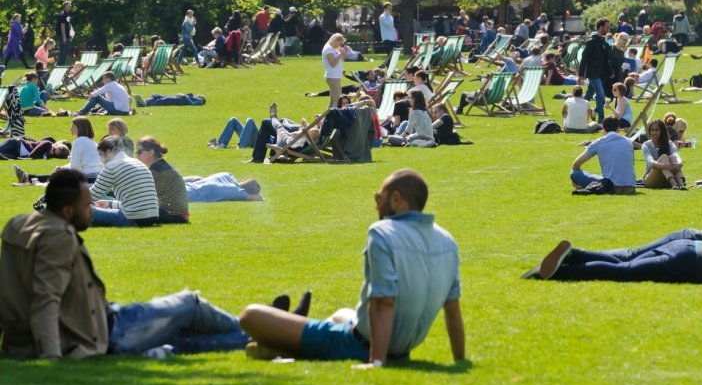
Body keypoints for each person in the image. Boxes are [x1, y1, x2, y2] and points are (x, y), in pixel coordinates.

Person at [0, 169, 255, 359]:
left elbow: (8, 291)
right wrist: (51, 357)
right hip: (104, 331)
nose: (91, 210)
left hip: (83, 327)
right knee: (191, 305)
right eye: (86, 206)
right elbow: (46, 298)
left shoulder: (18, 225)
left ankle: (275, 336)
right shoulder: (58, 237)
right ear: (67, 211)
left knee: (184, 340)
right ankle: (270, 327)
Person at [238, 169, 466, 366]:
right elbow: (453, 308)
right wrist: (460, 360)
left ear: (396, 199)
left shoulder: (382, 232)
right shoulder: (447, 240)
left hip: (360, 344)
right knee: (340, 314)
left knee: (251, 315)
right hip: (401, 349)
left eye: (379, 198)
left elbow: (383, 302)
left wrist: (376, 362)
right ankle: (287, 339)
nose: (377, 205)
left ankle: (281, 344)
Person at [523, 227, 702, 284]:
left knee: (626, 260)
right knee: (625, 271)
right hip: (690, 265)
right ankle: (561, 272)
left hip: (693, 247)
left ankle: (574, 253)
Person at [89, 136, 160, 227]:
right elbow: (134, 201)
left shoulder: (111, 166)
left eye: (100, 154)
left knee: (82, 210)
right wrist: (109, 203)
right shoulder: (137, 162)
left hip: (131, 218)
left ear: (108, 152)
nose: (100, 159)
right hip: (151, 217)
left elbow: (91, 196)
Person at [14, 116, 102, 184]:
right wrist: (63, 168)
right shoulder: (93, 142)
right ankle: (29, 178)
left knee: (60, 177)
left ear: (79, 128)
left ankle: (29, 178)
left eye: (73, 126)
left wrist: (62, 170)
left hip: (87, 178)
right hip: (95, 177)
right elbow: (77, 163)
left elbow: (74, 167)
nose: (70, 128)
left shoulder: (79, 142)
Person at [570, 117, 635, 194]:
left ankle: (591, 187)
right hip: (630, 187)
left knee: (574, 173)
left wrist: (577, 180)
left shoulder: (599, 142)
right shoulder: (628, 142)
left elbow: (576, 164)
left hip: (610, 187)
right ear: (618, 128)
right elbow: (632, 163)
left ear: (603, 129)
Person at [134, 136, 189, 224]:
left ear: (151, 152)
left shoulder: (155, 171)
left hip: (171, 215)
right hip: (179, 215)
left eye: (140, 152)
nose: (137, 156)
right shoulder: (162, 166)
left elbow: (138, 197)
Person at [579, 18, 613, 121]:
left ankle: (579, 110)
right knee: (601, 96)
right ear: (601, 27)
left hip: (602, 74)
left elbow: (606, 60)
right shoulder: (591, 42)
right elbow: (584, 58)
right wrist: (581, 74)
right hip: (593, 73)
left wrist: (611, 72)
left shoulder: (605, 43)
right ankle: (601, 119)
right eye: (607, 27)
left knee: (589, 94)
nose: (608, 29)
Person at [641, 119, 686, 189]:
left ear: (662, 131)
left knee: (673, 158)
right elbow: (650, 162)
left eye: (657, 130)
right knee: (664, 157)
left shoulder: (669, 143)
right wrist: (666, 166)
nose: (654, 132)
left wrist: (679, 163)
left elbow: (676, 154)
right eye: (652, 130)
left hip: (665, 179)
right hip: (651, 178)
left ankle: (681, 183)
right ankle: (673, 183)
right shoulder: (646, 145)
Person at [184, 173, 263, 202]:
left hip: (184, 185)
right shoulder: (235, 192)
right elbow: (259, 198)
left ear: (243, 179)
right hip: (185, 195)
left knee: (199, 179)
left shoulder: (227, 175)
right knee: (199, 179)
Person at [321, 33, 349, 108]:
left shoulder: (333, 49)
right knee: (338, 99)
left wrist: (343, 52)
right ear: (335, 40)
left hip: (335, 76)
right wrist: (340, 54)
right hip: (333, 77)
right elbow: (332, 63)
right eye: (339, 43)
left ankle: (327, 116)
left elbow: (341, 61)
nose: (340, 45)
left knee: (333, 99)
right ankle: (335, 117)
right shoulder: (328, 49)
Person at [0, 137, 70, 160]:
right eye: (54, 149)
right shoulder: (48, 143)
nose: (53, 151)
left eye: (55, 154)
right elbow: (32, 155)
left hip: (17, 151)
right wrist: (44, 156)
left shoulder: (48, 152)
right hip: (16, 144)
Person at [55, 1, 74, 66]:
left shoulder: (67, 14)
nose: (70, 6)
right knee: (63, 50)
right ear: (65, 6)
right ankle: (59, 64)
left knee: (67, 50)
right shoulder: (62, 14)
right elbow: (62, 26)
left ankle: (61, 63)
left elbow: (68, 24)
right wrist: (64, 37)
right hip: (62, 35)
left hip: (67, 35)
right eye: (69, 5)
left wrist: (71, 33)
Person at [134, 93, 206, 107]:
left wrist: (184, 96)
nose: (200, 94)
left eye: (202, 96)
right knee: (156, 96)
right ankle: (143, 102)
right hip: (177, 97)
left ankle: (146, 104)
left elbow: (192, 104)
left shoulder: (200, 101)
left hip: (179, 101)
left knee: (163, 100)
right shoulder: (195, 96)